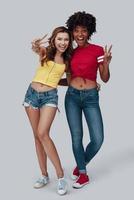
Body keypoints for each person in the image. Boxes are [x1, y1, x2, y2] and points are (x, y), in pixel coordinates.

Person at [64, 11, 112, 189]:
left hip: (91, 98)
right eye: (76, 30)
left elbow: (105, 78)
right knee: (77, 137)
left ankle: (80, 164)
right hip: (72, 97)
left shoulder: (98, 50)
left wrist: (106, 64)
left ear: (89, 31)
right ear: (72, 32)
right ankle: (83, 174)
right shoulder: (70, 53)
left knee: (98, 138)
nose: (80, 34)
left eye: (84, 30)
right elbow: (67, 79)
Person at [22, 26, 73, 195]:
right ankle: (44, 175)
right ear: (54, 39)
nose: (63, 43)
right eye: (60, 39)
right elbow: (37, 49)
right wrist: (35, 45)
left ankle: (60, 177)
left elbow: (70, 81)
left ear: (69, 41)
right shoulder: (46, 52)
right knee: (37, 136)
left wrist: (56, 81)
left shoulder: (67, 60)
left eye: (66, 39)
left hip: (50, 97)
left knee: (43, 133)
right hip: (31, 95)